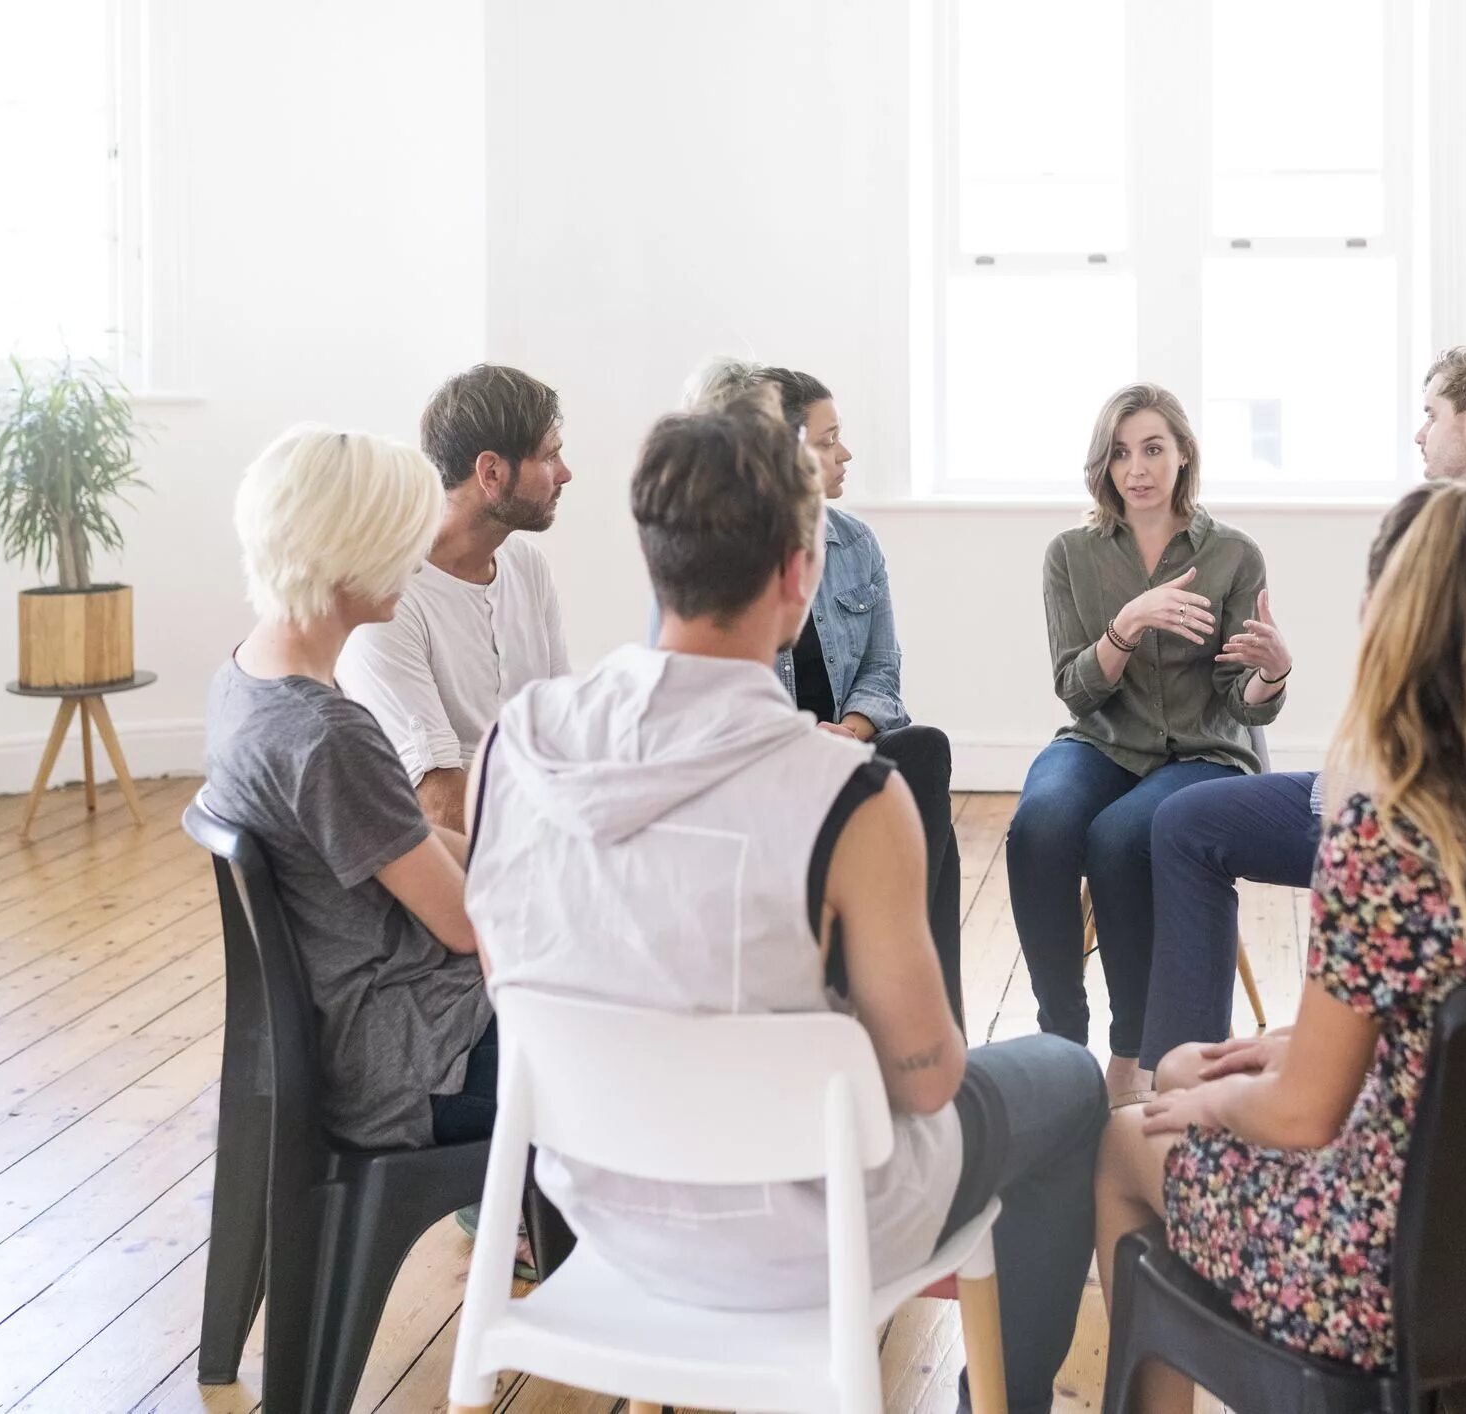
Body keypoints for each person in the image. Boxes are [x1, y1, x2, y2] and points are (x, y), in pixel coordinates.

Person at [463, 400, 1107, 1414]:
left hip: (598, 1209)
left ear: (653, 558)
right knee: (1070, 1080)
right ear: (798, 573)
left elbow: (509, 979)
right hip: (808, 1239)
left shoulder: (518, 741)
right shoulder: (846, 797)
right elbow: (931, 1078)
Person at [1093, 482, 1466, 1410]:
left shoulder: (1388, 830)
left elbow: (1303, 1119)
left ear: (1384, 617)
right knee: (1200, 1071)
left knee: (1130, 1137)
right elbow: (1462, 1007)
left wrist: (1229, 1092)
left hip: (1385, 1269)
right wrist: (1261, 1056)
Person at [1138, 334, 1466, 1075]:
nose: (1420, 431)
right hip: (1386, 803)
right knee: (1185, 823)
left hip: (1464, 841)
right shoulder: (1442, 535)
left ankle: (1248, 1087)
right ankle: (1180, 1074)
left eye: (1432, 412)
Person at [202, 426, 494, 1151]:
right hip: (410, 1067)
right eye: (404, 543)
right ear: (350, 555)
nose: (419, 560)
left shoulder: (246, 678)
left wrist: (514, 853)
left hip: (354, 1039)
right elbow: (467, 926)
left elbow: (410, 840)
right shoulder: (327, 736)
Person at [1008, 383, 1289, 1100]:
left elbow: (1242, 705)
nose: (1137, 468)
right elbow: (1075, 689)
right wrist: (1126, 626)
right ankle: (1058, 1036)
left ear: (1184, 454)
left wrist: (1271, 674)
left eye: (1154, 449)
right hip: (1101, 739)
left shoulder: (1232, 556)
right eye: (1121, 453)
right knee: (1038, 825)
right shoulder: (1071, 555)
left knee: (1119, 837)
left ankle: (1128, 1055)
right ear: (1103, 465)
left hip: (1201, 751)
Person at [680, 357, 965, 1023]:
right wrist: (803, 739)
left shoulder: (856, 544)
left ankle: (900, 999)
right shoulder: (716, 559)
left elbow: (883, 673)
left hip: (844, 755)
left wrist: (852, 731)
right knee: (923, 789)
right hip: (764, 769)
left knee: (920, 754)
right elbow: (704, 691)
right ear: (780, 456)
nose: (846, 454)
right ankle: (906, 1006)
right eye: (827, 440)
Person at [336, 364, 573, 833]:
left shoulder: (527, 565)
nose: (565, 474)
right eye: (550, 458)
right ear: (491, 472)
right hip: (459, 868)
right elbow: (438, 805)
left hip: (535, 833)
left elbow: (563, 726)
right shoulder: (386, 598)